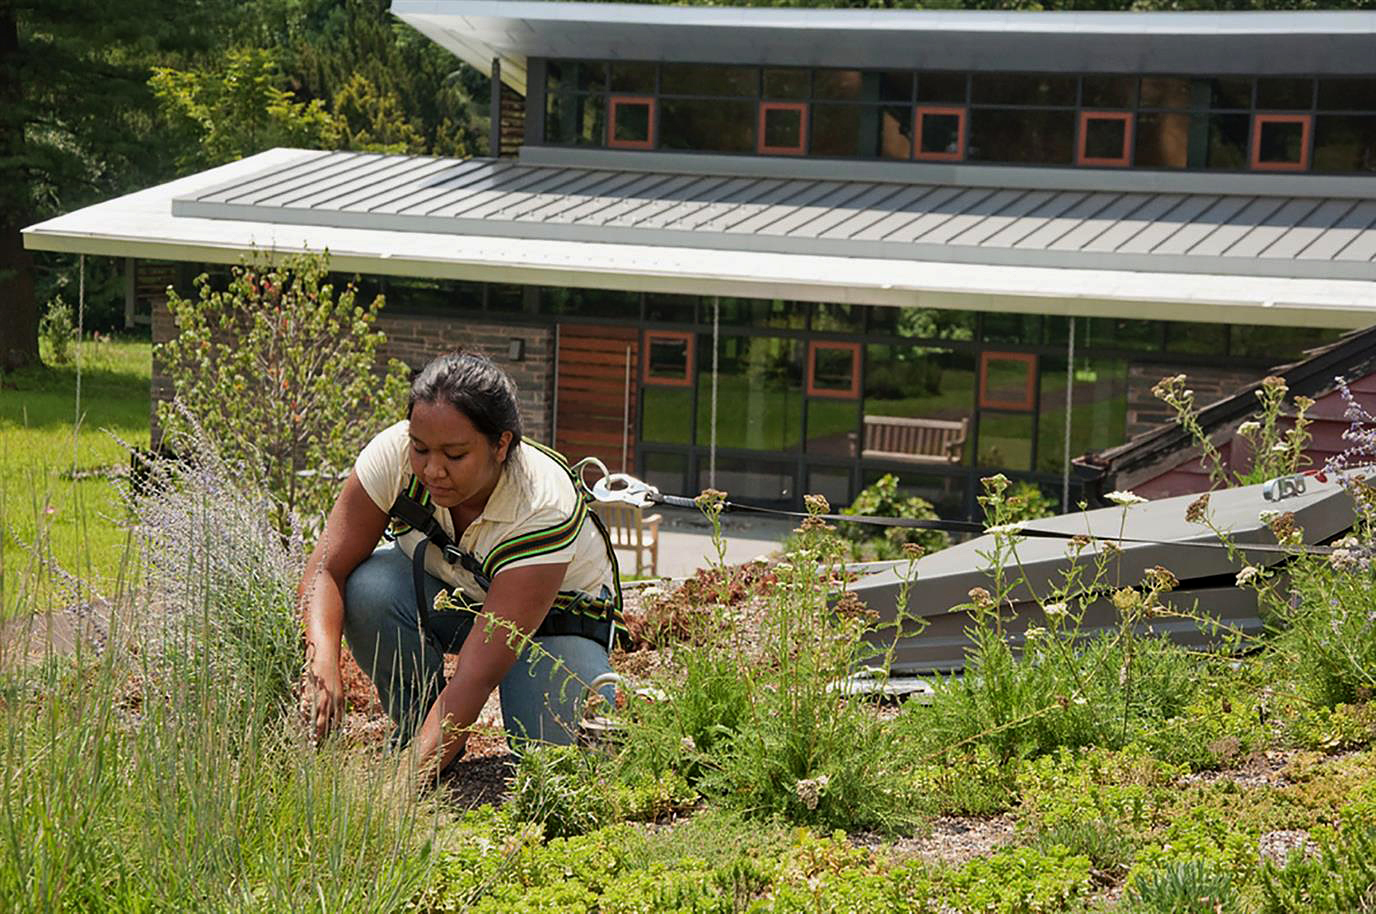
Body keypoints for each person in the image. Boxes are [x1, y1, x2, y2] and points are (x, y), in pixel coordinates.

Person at [301, 351, 619, 782]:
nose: (433, 470)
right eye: (421, 449)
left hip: (551, 624)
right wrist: (322, 664)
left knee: (557, 768)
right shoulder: (393, 457)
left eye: (454, 454)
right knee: (369, 588)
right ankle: (420, 734)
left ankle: (427, 755)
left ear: (500, 444)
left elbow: (474, 675)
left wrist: (399, 792)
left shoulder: (541, 505)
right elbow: (326, 571)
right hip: (458, 598)